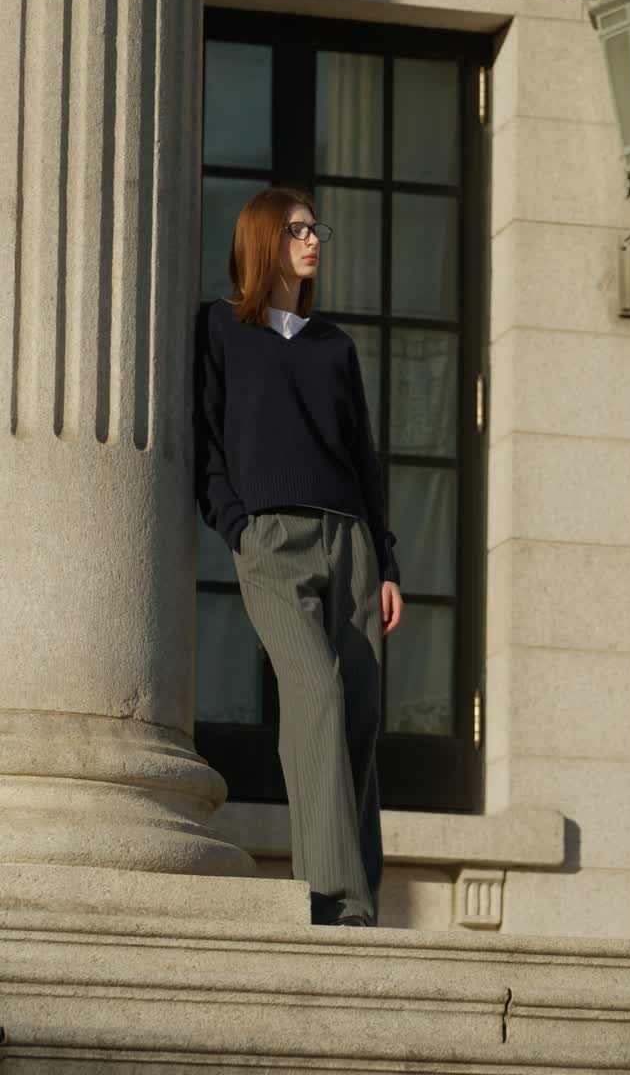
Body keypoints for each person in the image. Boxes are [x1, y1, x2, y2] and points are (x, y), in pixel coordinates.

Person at [193, 185, 403, 927]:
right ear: (262, 241)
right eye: (297, 230)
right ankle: (335, 899)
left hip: (348, 539)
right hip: (271, 542)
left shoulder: (333, 347)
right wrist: (236, 524)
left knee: (361, 716)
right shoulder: (220, 328)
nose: (314, 241)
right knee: (316, 692)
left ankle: (357, 891)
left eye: (316, 230)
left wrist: (386, 563)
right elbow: (208, 439)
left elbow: (364, 462)